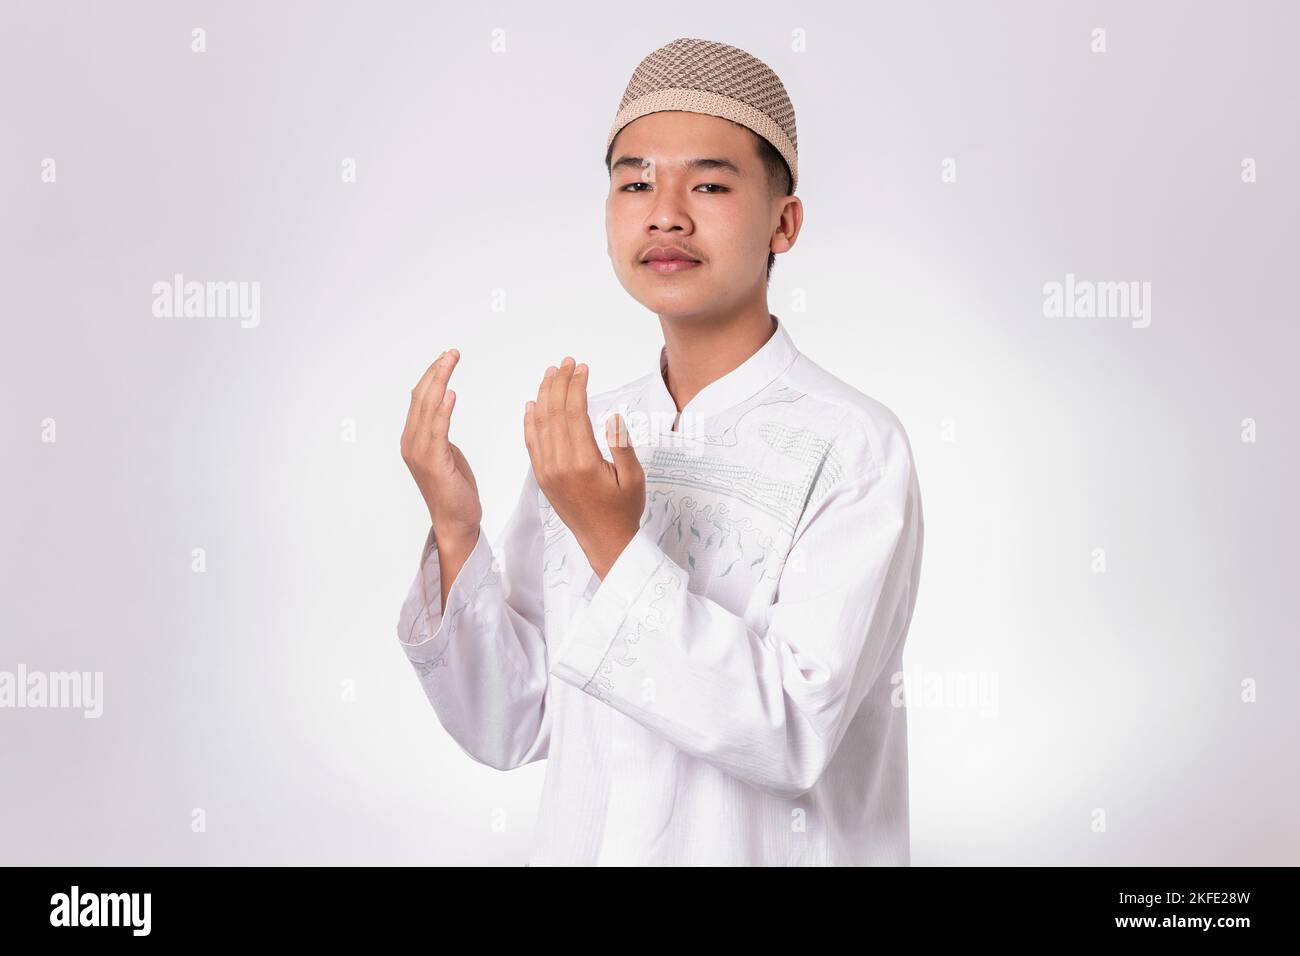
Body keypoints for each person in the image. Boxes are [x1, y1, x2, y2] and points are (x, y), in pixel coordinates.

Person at [397, 37, 924, 865]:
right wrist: (458, 532)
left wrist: (611, 539)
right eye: (634, 181)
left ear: (784, 223)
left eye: (709, 184)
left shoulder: (852, 444)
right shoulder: (587, 437)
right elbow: (513, 722)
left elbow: (789, 733)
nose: (665, 212)